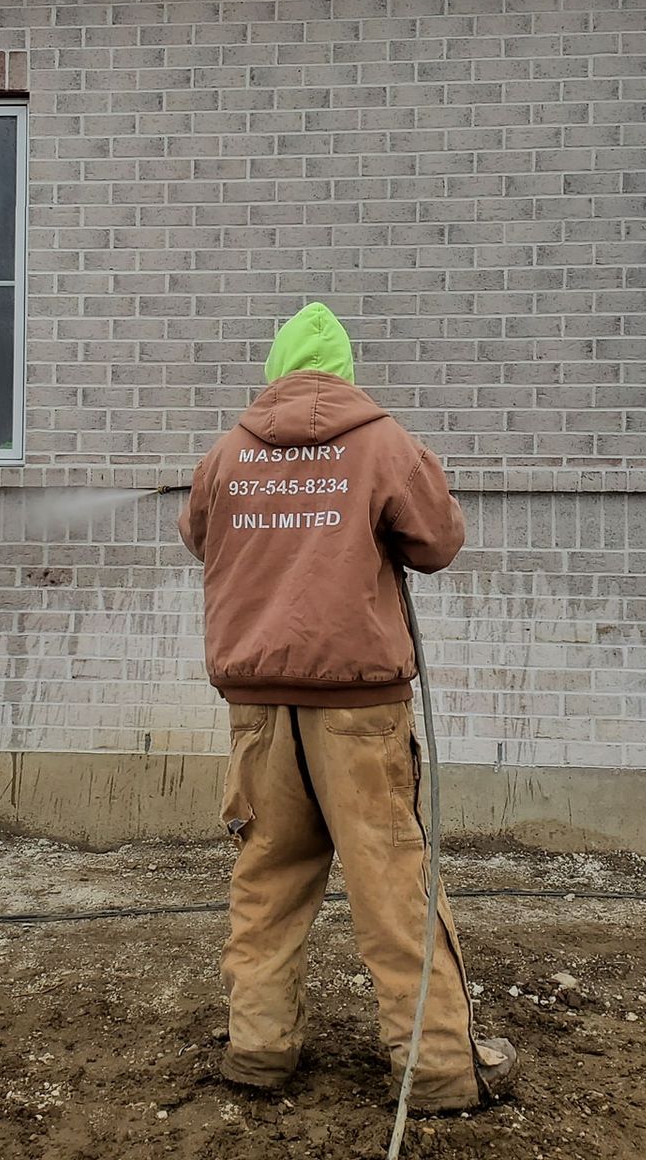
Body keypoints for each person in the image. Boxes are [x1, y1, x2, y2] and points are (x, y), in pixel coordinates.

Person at [179, 302, 518, 1113]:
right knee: (393, 884)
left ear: (277, 369)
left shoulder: (228, 452)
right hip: (360, 717)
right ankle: (436, 1068)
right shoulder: (383, 443)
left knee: (267, 879)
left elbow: (198, 536)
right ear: (345, 372)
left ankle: (258, 1050)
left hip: (258, 716)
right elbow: (436, 542)